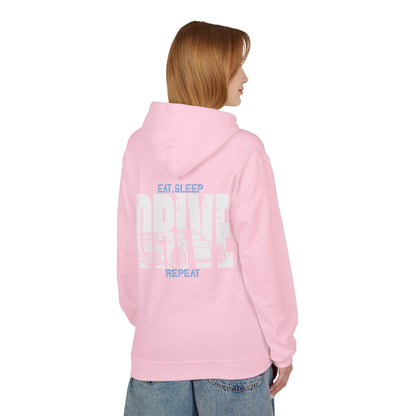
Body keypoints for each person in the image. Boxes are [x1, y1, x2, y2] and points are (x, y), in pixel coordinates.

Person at [117, 20, 298, 416]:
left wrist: (157, 324)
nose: (245, 77)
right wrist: (282, 344)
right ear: (212, 71)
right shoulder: (244, 151)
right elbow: (264, 259)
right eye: (236, 66)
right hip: (234, 356)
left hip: (156, 354)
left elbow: (129, 255)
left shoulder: (138, 147)